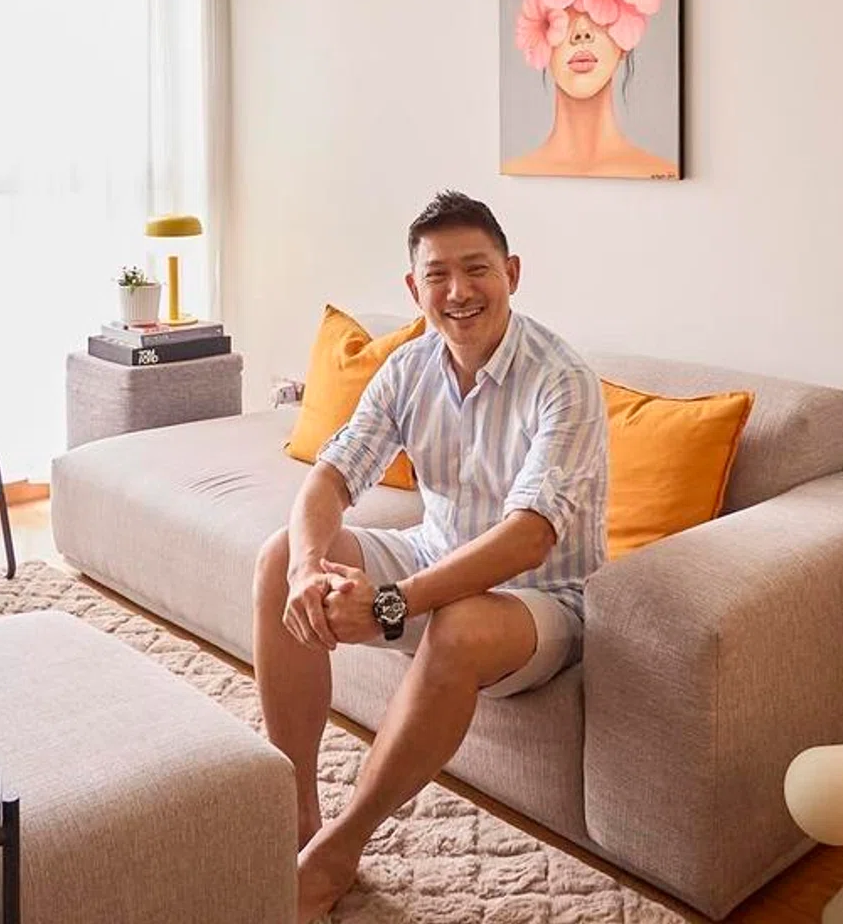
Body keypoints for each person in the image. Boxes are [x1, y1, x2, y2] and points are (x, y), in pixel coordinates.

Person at [252, 190, 609, 921]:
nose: (458, 291)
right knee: (280, 554)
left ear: (511, 272)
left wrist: (391, 602)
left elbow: (529, 536)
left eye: (476, 269)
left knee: (463, 624)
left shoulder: (561, 380)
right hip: (431, 554)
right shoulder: (410, 366)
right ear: (415, 289)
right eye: (437, 275)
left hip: (543, 599)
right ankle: (297, 814)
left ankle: (338, 851)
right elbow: (329, 477)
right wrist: (305, 571)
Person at [502, 0, 678, 178]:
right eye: (567, 5)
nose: (581, 31)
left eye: (594, 7)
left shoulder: (662, 171)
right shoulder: (514, 170)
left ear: (626, 39)